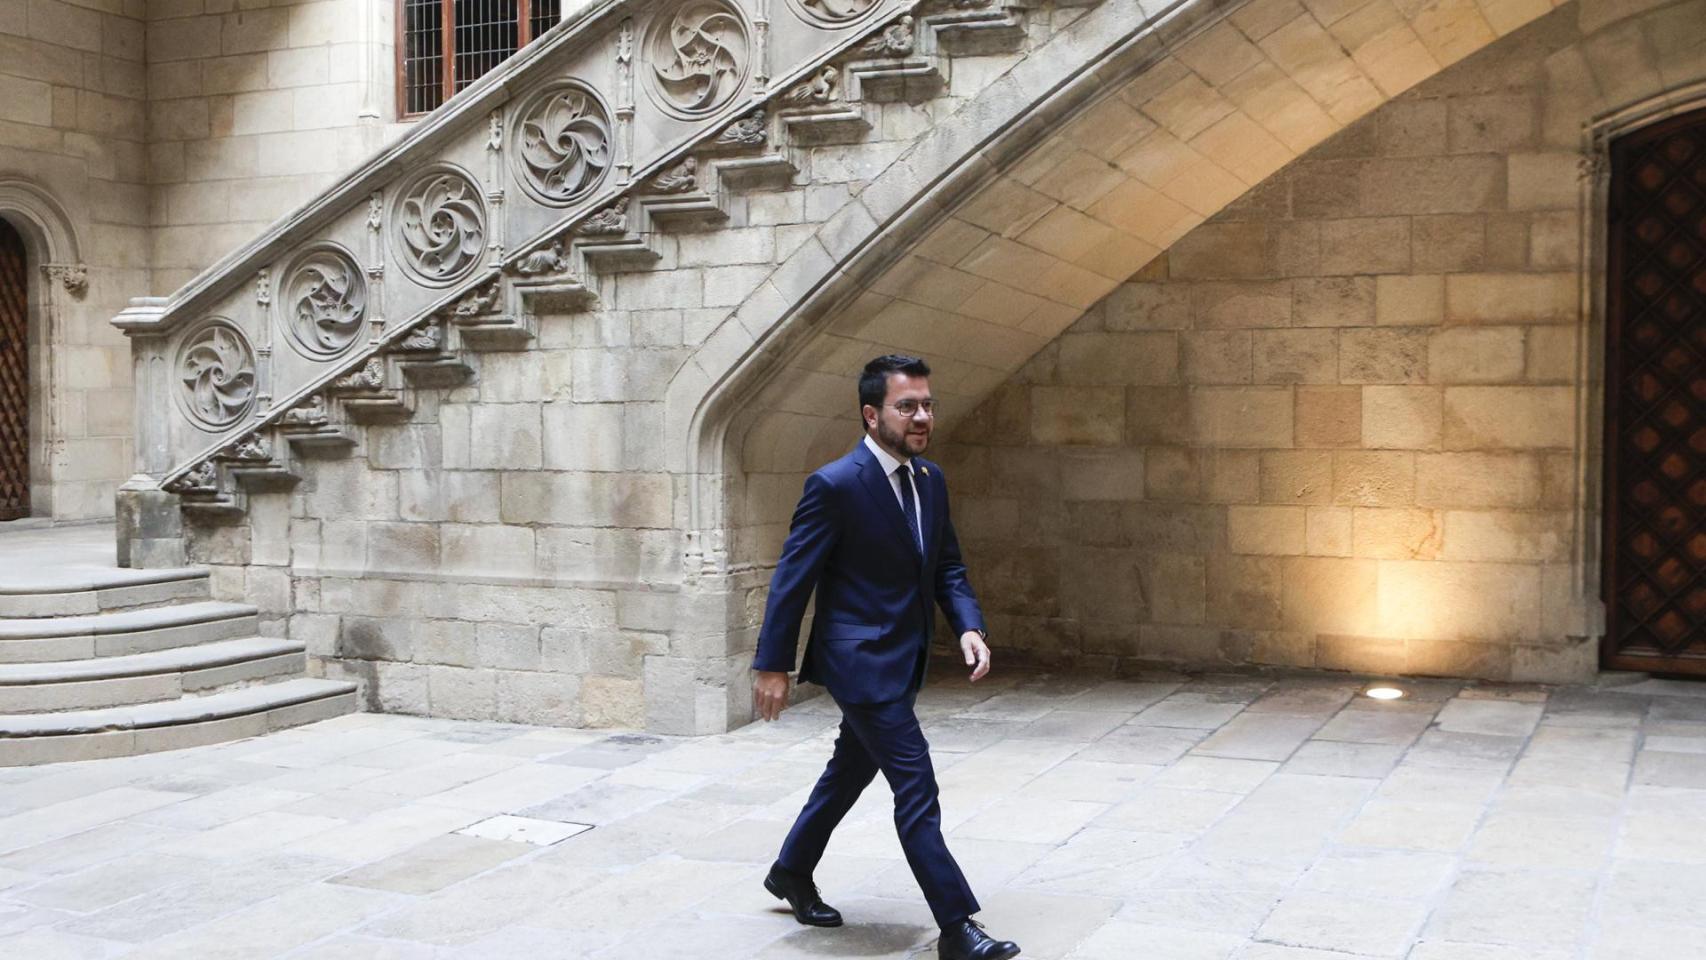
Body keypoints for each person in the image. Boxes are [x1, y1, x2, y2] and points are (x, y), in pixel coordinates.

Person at [751, 355, 1021, 960]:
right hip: (859, 660)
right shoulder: (835, 484)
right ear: (872, 415)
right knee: (915, 784)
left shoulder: (930, 479)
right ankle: (957, 928)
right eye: (908, 406)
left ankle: (791, 871)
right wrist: (773, 665)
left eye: (927, 404)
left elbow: (947, 564)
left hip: (905, 656)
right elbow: (793, 581)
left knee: (852, 765)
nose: (922, 416)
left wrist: (969, 625)